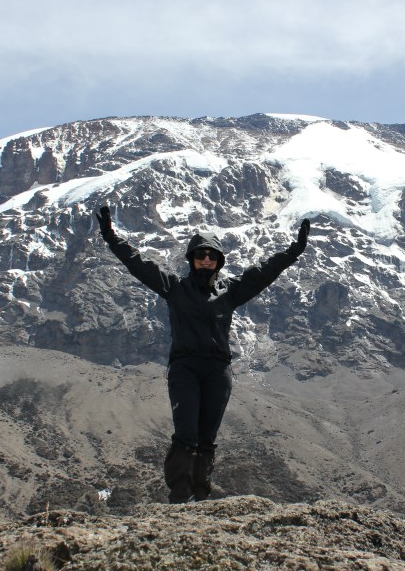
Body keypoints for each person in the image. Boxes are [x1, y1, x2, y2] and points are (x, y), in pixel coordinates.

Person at [95, 206, 311, 503]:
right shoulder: (173, 287)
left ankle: (201, 496)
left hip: (218, 373)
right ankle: (179, 495)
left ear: (219, 261)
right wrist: (110, 237)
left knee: (207, 439)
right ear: (191, 259)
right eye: (201, 255)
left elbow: (265, 272)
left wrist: (295, 250)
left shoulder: (230, 291)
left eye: (212, 256)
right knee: (186, 434)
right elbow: (138, 264)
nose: (206, 260)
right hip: (185, 369)